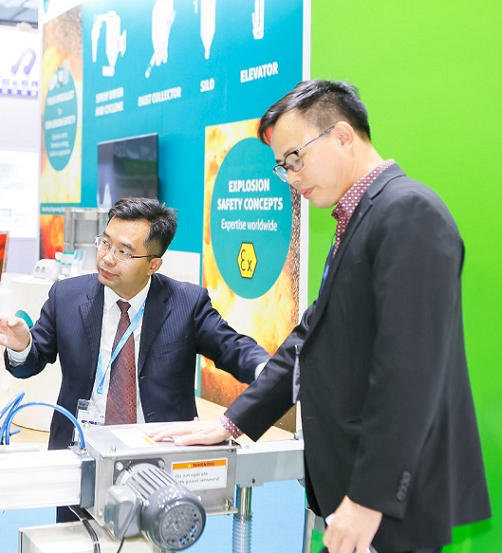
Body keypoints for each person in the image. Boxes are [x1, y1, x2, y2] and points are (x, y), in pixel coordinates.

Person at [151, 80, 491, 553]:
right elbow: (310, 337)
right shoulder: (361, 218)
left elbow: (411, 373)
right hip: (356, 488)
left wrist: (368, 499)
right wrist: (232, 423)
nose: (290, 177)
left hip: (391, 503)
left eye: (295, 158)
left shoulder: (408, 213)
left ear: (343, 136)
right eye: (283, 166)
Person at [0, 196, 270, 521]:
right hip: (81, 453)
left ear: (153, 264)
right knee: (76, 537)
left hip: (159, 457)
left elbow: (232, 347)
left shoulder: (187, 303)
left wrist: (271, 371)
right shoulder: (67, 296)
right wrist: (22, 345)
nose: (107, 258)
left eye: (124, 251)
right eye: (105, 243)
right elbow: (33, 360)